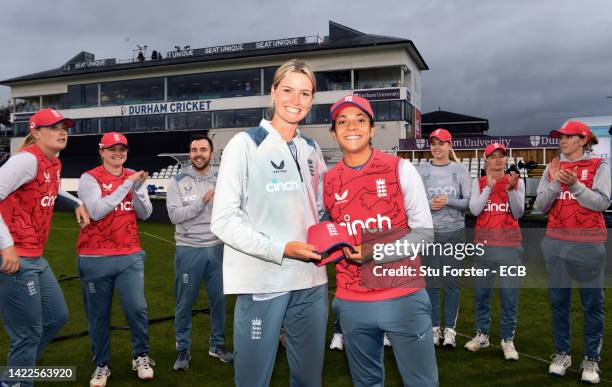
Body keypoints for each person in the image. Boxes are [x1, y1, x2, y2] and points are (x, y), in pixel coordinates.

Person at [211, 59, 328, 387]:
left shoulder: (311, 148)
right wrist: (280, 249)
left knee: (309, 380)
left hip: (311, 280)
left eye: (305, 93)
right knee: (252, 380)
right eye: (288, 90)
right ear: (273, 92)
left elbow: (320, 208)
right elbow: (223, 220)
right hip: (263, 281)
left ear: (312, 99)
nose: (296, 100)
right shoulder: (245, 144)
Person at [322, 95, 438, 386]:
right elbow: (326, 234)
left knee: (422, 382)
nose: (352, 127)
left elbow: (424, 234)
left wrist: (374, 252)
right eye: (342, 121)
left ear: (372, 129)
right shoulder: (326, 181)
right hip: (351, 301)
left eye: (360, 120)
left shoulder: (400, 169)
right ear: (334, 132)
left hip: (402, 296)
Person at [0, 108, 89, 387]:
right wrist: (6, 246)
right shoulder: (26, 160)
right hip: (16, 257)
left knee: (56, 317)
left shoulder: (53, 162)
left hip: (35, 257)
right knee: (28, 332)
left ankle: (16, 373)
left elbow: (52, 189)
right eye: (53, 127)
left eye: (64, 127)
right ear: (35, 132)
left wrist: (76, 202)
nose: (62, 132)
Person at [534, 121, 610, 384]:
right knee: (559, 303)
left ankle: (591, 358)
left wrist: (576, 186)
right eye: (560, 137)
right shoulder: (552, 167)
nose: (562, 141)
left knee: (592, 304)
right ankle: (562, 353)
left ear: (583, 139)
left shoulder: (599, 165)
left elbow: (602, 202)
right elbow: (541, 206)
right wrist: (555, 183)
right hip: (555, 243)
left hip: (588, 244)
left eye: (568, 137)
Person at [76, 132, 153, 387]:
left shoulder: (132, 176)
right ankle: (101, 364)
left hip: (129, 253)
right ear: (102, 151)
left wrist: (139, 189)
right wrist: (127, 185)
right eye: (112, 149)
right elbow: (97, 211)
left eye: (122, 149)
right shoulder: (90, 177)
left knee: (137, 308)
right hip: (95, 256)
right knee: (98, 316)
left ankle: (141, 355)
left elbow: (145, 214)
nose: (117, 153)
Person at [166, 134, 232, 371]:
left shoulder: (222, 179)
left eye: (203, 149)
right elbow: (175, 216)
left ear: (211, 153)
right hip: (189, 249)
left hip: (216, 247)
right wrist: (201, 203)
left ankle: (218, 345)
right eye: (194, 149)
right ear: (190, 153)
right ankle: (183, 349)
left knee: (219, 301)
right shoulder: (177, 181)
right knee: (185, 303)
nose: (199, 154)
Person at [466, 143, 524, 360]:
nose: (498, 160)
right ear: (486, 159)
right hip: (483, 247)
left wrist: (510, 190)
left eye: (501, 156)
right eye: (493, 156)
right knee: (482, 294)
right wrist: (489, 188)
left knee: (509, 295)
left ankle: (508, 338)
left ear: (506, 158)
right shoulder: (478, 182)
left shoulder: (516, 181)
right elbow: (474, 210)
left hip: (510, 247)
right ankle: (482, 334)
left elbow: (518, 213)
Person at [417, 128, 471, 348]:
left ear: (450, 145)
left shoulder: (460, 170)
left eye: (441, 143)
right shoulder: (421, 170)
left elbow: (468, 202)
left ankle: (449, 330)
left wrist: (448, 200)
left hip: (454, 233)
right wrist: (428, 204)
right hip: (430, 233)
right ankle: (432, 328)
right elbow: (414, 202)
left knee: (451, 282)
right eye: (433, 143)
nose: (437, 147)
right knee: (430, 283)